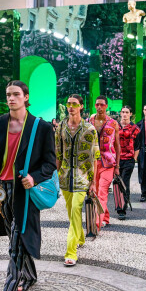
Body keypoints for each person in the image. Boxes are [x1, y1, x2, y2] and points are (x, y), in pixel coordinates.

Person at [0, 81, 56, 291]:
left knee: (15, 244)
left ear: (26, 97)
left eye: (16, 94)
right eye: (8, 95)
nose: (11, 98)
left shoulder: (41, 127)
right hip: (1, 192)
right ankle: (31, 275)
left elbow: (50, 164)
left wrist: (34, 178)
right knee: (16, 237)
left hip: (24, 192)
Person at [55, 95, 99, 264]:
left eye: (74, 104)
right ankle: (80, 237)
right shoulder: (61, 127)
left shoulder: (89, 129)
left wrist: (93, 181)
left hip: (83, 177)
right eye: (68, 104)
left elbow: (95, 156)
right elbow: (58, 152)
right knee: (70, 211)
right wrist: (55, 175)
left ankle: (71, 252)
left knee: (75, 209)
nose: (71, 107)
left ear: (81, 106)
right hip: (65, 176)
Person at [89, 95, 120, 232]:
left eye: (102, 104)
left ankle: (97, 223)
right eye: (97, 105)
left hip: (108, 163)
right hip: (93, 163)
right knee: (95, 192)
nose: (99, 107)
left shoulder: (113, 123)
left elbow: (117, 146)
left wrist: (117, 166)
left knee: (102, 191)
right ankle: (105, 217)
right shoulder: (89, 121)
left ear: (106, 106)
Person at [116, 106, 140, 220]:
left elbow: (138, 145)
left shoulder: (135, 128)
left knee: (124, 182)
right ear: (120, 113)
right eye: (123, 112)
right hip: (116, 160)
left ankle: (123, 209)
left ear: (131, 114)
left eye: (127, 112)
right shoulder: (115, 126)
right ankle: (118, 206)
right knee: (116, 183)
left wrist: (134, 158)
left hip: (128, 160)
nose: (124, 114)